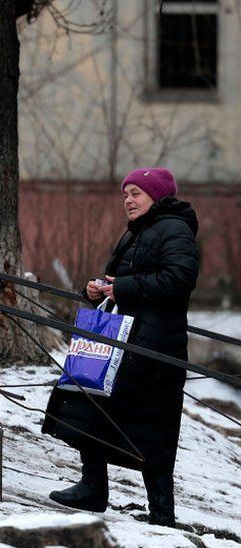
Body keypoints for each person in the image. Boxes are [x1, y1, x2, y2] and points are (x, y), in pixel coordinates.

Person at [42, 167, 199, 527]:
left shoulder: (174, 229)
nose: (128, 200)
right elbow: (122, 281)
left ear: (156, 197)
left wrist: (124, 287)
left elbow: (180, 280)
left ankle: (162, 512)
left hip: (155, 348)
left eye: (136, 194)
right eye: (125, 193)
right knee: (90, 402)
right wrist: (96, 289)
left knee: (152, 427)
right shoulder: (137, 232)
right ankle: (93, 487)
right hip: (122, 340)